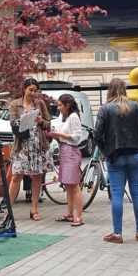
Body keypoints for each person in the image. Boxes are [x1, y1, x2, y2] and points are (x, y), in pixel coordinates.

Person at [95, 78, 138, 243]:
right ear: (124, 90)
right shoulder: (135, 106)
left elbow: (97, 135)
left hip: (115, 155)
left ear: (110, 90)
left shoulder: (105, 109)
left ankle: (117, 233)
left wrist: (105, 151)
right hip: (136, 154)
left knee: (117, 194)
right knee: (137, 192)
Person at [6, 78, 52, 221]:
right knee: (16, 176)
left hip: (37, 145)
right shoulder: (15, 104)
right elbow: (12, 123)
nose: (33, 93)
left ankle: (34, 209)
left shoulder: (40, 103)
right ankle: (9, 211)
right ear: (24, 89)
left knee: (37, 176)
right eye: (30, 90)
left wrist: (41, 121)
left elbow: (48, 123)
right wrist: (23, 120)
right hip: (22, 145)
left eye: (35, 91)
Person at [49, 94, 85, 227]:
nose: (58, 108)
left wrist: (59, 134)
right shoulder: (69, 117)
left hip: (70, 152)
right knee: (69, 185)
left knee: (74, 185)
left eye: (60, 105)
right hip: (65, 151)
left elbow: (77, 137)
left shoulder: (73, 117)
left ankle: (78, 216)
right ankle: (70, 214)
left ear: (67, 105)